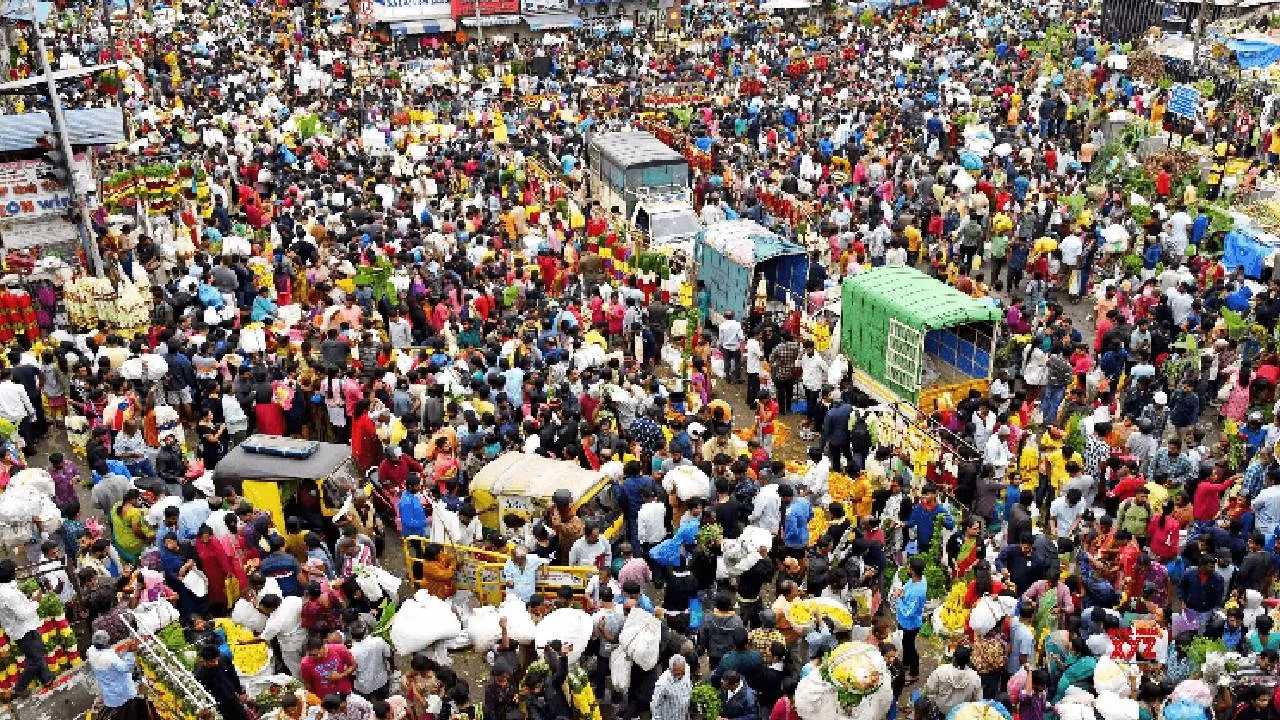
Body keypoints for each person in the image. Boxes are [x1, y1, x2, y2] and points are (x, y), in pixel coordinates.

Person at [0, 559, 50, 696]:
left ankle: (47, 679)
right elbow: (23, 614)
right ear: (10, 573)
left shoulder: (5, 589)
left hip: (19, 630)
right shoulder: (8, 594)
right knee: (35, 659)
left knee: (36, 656)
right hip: (24, 629)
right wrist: (36, 602)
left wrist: (29, 600)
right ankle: (20, 688)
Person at [87, 630, 144, 720]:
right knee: (129, 713)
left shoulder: (91, 652)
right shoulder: (109, 658)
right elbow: (126, 668)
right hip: (122, 693)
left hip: (109, 694)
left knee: (118, 714)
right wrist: (129, 652)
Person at [194, 644, 249, 720]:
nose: (216, 663)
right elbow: (200, 693)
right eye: (212, 661)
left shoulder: (224, 659)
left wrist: (241, 692)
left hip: (232, 697)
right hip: (219, 705)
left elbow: (233, 676)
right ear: (204, 661)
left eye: (217, 659)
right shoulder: (200, 674)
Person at [351, 621, 393, 701]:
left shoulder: (352, 651)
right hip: (381, 680)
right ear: (365, 631)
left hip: (364, 686)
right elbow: (389, 655)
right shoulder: (378, 641)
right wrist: (392, 669)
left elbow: (353, 673)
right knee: (384, 703)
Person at [651, 654, 693, 720]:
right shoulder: (663, 683)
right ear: (671, 670)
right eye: (678, 674)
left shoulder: (686, 671)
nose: (682, 676)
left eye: (683, 672)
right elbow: (655, 706)